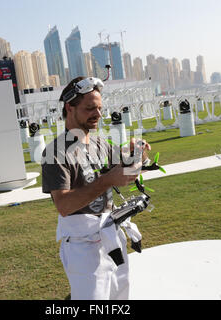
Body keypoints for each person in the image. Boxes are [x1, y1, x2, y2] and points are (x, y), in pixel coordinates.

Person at [41, 76, 150, 300]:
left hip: (110, 234)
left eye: (100, 108)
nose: (98, 115)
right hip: (82, 248)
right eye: (90, 108)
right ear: (69, 107)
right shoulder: (55, 152)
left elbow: (126, 170)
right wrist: (108, 179)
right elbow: (63, 205)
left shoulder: (100, 143)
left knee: (120, 297)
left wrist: (136, 154)